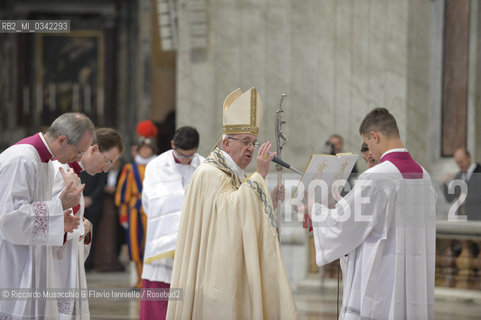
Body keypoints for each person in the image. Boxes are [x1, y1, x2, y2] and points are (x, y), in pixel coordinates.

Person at [166, 88, 298, 319]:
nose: (250, 149)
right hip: (212, 273)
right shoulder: (211, 173)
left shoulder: (231, 173)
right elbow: (230, 215)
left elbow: (238, 214)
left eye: (254, 143)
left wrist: (269, 199)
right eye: (246, 142)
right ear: (226, 143)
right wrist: (259, 176)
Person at [300, 108, 436, 319]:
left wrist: (313, 207)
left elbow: (342, 225)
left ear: (374, 136)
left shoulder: (376, 177)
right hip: (414, 281)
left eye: (369, 143)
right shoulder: (424, 177)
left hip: (383, 281)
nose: (370, 152)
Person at [0, 112, 95, 319]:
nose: (78, 159)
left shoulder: (43, 162)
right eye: (78, 152)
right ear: (62, 139)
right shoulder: (22, 159)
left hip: (29, 256)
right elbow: (10, 218)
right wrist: (58, 207)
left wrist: (60, 217)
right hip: (12, 259)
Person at [49, 128, 124, 319]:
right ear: (94, 149)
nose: (106, 169)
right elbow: (45, 221)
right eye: (107, 161)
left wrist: (84, 225)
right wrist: (79, 226)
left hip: (68, 263)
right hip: (53, 267)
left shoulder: (74, 172)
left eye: (112, 164)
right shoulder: (59, 171)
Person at [140, 126, 204, 320]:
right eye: (181, 155)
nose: (185, 160)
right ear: (172, 145)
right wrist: (183, 199)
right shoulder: (156, 166)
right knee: (160, 294)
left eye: (190, 156)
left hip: (193, 241)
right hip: (163, 242)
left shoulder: (205, 166)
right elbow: (149, 202)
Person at [115, 120, 157, 288]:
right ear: (138, 150)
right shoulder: (129, 169)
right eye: (142, 149)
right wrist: (123, 214)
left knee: (152, 244)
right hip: (134, 210)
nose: (145, 151)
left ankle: (151, 280)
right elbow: (122, 194)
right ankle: (139, 279)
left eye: (148, 149)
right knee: (135, 244)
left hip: (153, 210)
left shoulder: (158, 167)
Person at [442, 147, 481, 221]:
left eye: (461, 162)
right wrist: (444, 184)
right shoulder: (458, 176)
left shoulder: (479, 171)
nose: (459, 165)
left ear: (468, 158)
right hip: (462, 219)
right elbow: (450, 198)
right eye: (457, 163)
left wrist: (467, 198)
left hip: (477, 219)